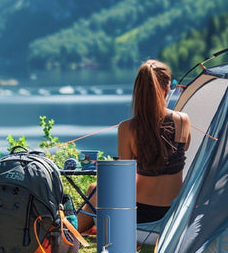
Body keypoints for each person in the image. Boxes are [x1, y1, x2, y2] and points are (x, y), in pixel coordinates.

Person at [77, 59, 191, 233]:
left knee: (94, 189)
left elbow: (124, 180)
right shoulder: (183, 120)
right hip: (172, 217)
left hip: (140, 220)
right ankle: (73, 232)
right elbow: (185, 148)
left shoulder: (128, 128)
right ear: (167, 86)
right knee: (97, 189)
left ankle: (69, 235)